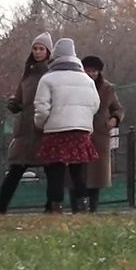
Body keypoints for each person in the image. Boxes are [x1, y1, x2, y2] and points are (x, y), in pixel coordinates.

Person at [33, 37, 100, 213]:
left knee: (56, 172)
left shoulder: (47, 79)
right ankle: (83, 207)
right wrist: (83, 119)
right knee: (78, 172)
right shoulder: (87, 80)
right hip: (80, 131)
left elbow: (41, 107)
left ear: (54, 57)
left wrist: (41, 124)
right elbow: (95, 104)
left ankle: (55, 208)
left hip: (56, 131)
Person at [0, 32, 57, 215]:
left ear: (48, 52)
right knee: (16, 168)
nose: (37, 52)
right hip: (24, 129)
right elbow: (19, 94)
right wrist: (14, 102)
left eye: (41, 49)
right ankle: (0, 209)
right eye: (35, 49)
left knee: (52, 169)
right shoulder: (27, 74)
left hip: (45, 127)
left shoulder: (52, 74)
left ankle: (51, 208)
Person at [81, 55, 125, 212]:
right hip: (80, 132)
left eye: (94, 71)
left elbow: (118, 108)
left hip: (99, 135)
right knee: (79, 172)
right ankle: (79, 207)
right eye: (88, 71)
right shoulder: (77, 86)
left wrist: (113, 120)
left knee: (96, 175)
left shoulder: (108, 89)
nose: (91, 74)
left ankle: (93, 208)